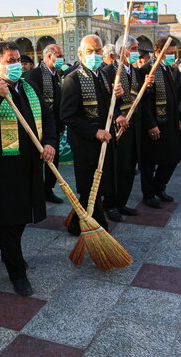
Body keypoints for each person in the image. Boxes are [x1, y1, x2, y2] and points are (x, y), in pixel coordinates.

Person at [0, 40, 57, 296]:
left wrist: (49, 142)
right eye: (10, 60)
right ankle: (17, 271)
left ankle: (11, 255)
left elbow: (48, 118)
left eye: (18, 59)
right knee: (6, 221)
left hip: (28, 166)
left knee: (21, 218)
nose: (16, 65)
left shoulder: (30, 89)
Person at [60, 35, 124, 234]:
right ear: (80, 54)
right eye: (90, 51)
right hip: (86, 143)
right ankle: (99, 228)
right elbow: (67, 115)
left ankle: (75, 223)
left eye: (98, 51)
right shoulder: (73, 79)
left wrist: (118, 101)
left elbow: (109, 107)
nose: (95, 55)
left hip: (105, 138)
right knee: (90, 186)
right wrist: (94, 131)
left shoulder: (103, 75)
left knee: (98, 184)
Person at [102, 35, 153, 217]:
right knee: (117, 168)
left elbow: (141, 100)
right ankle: (110, 204)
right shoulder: (108, 72)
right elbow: (103, 101)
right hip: (117, 129)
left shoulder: (136, 71)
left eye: (137, 49)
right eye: (133, 49)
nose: (136, 53)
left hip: (134, 127)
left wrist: (147, 87)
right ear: (122, 51)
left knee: (130, 167)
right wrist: (117, 115)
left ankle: (122, 202)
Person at [137, 37, 181, 208]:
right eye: (168, 53)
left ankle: (159, 187)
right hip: (155, 123)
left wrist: (176, 119)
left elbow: (174, 96)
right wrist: (150, 124)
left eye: (173, 53)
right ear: (158, 51)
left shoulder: (168, 68)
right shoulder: (147, 70)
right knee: (150, 161)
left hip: (169, 121)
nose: (171, 56)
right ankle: (149, 193)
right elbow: (143, 101)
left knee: (172, 158)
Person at [25, 44, 65, 204]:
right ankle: (34, 191)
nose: (62, 60)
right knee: (34, 161)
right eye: (59, 56)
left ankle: (48, 189)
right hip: (37, 126)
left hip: (52, 126)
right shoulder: (34, 75)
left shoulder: (56, 74)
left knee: (52, 160)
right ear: (49, 56)